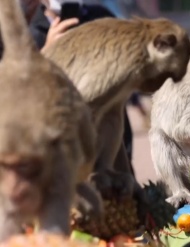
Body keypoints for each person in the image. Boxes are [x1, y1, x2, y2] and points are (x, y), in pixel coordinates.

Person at [28, 0, 137, 174]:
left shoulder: (101, 18)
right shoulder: (27, 29)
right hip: (57, 158)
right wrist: (47, 53)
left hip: (110, 152)